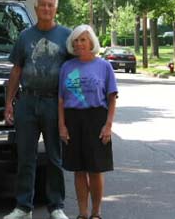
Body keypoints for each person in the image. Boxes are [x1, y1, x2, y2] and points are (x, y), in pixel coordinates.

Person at [4, 0, 71, 219]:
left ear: (56, 9)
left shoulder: (67, 36)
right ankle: (23, 207)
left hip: (55, 102)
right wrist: (9, 103)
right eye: (42, 5)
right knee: (26, 157)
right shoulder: (25, 36)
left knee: (54, 157)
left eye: (50, 5)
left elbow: (75, 71)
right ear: (36, 8)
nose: (46, 9)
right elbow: (16, 70)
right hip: (27, 101)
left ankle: (56, 206)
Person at [58, 24, 118, 219]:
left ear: (91, 41)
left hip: (96, 119)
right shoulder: (67, 67)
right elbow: (61, 99)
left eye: (83, 39)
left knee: (95, 169)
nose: (79, 44)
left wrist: (108, 125)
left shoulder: (104, 66)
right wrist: (62, 125)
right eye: (75, 40)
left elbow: (111, 98)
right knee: (79, 170)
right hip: (73, 119)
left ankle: (96, 212)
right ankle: (82, 213)